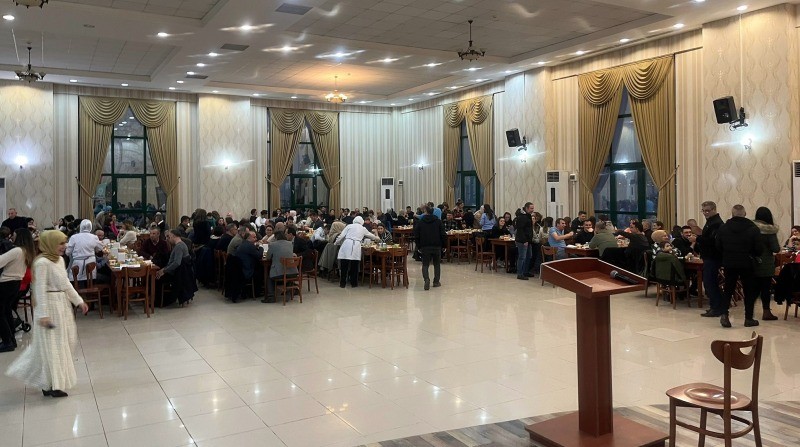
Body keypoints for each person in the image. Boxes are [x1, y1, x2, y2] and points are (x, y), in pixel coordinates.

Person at [6, 231, 89, 398]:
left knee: (63, 344)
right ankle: (51, 384)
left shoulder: (59, 260)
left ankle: (51, 382)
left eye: (65, 243)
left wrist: (79, 301)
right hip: (49, 308)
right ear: (50, 244)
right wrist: (43, 315)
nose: (64, 246)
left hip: (61, 306)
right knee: (51, 347)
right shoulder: (42, 263)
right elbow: (39, 289)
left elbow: (66, 284)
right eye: (60, 243)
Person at [715, 204, 762, 328]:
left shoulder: (723, 228)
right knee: (749, 291)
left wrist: (726, 254)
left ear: (732, 214)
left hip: (729, 262)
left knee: (728, 289)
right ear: (745, 214)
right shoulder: (753, 228)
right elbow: (759, 249)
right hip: (747, 263)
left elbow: (718, 246)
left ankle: (724, 314)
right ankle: (748, 318)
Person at [0, 228, 35, 351]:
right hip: (15, 283)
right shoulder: (26, 251)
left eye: (14, 235)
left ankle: (7, 341)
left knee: (1, 313)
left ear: (19, 236)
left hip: (6, 283)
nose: (11, 237)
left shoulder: (17, 250)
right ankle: (11, 340)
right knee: (6, 311)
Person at [696, 201, 725, 318]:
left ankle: (717, 308)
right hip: (709, 256)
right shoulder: (711, 222)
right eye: (703, 211)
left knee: (710, 283)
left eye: (707, 211)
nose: (705, 213)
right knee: (709, 283)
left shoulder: (716, 223)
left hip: (713, 257)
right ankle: (715, 306)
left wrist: (697, 239)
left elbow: (713, 242)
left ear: (714, 210)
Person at [336, 216, 379, 288]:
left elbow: (341, 236)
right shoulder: (363, 228)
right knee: (354, 266)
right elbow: (371, 236)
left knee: (344, 266)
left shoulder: (349, 226)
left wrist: (336, 243)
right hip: (356, 246)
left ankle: (342, 283)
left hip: (346, 245)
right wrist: (377, 238)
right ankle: (354, 283)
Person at [154, 230, 195, 306]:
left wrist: (164, 270)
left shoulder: (179, 247)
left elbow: (176, 263)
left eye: (169, 237)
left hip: (177, 274)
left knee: (155, 278)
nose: (167, 239)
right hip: (178, 272)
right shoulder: (181, 245)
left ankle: (158, 301)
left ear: (173, 236)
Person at [753, 206, 780, 321]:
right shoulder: (769, 230)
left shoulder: (750, 227)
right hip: (766, 264)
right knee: (765, 288)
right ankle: (766, 312)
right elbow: (775, 248)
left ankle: (748, 313)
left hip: (751, 262)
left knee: (752, 288)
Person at [414, 206, 447, 290]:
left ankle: (426, 279)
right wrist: (444, 245)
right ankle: (436, 282)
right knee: (437, 264)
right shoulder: (438, 221)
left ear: (426, 212)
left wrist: (418, 246)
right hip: (436, 246)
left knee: (425, 264)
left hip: (425, 246)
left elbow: (416, 235)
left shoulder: (420, 222)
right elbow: (443, 234)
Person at [263, 230, 298, 303]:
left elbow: (268, 257)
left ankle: (271, 296)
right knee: (286, 275)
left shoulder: (272, 245)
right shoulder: (290, 243)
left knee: (269, 277)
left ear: (276, 237)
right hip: (292, 272)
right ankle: (288, 292)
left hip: (279, 273)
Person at [234, 231, 264, 300]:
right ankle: (256, 292)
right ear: (248, 238)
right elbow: (259, 256)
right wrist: (261, 247)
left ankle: (254, 290)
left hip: (240, 269)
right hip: (247, 270)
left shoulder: (243, 244)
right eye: (254, 237)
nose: (256, 239)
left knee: (259, 267)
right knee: (262, 270)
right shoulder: (250, 246)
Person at [514, 202, 535, 280]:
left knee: (529, 256)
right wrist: (524, 240)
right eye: (531, 208)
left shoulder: (528, 216)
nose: (532, 210)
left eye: (533, 208)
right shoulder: (522, 217)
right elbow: (520, 230)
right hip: (522, 240)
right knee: (522, 257)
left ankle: (525, 271)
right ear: (526, 208)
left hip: (528, 240)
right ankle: (520, 273)